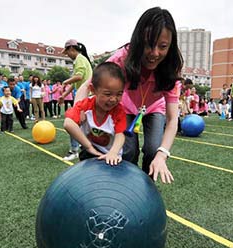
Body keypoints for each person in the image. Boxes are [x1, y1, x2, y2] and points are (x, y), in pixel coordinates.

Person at [76, 7, 183, 183]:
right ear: (139, 40)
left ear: (170, 46)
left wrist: (162, 155)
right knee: (127, 151)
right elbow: (88, 86)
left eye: (162, 46)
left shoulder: (171, 68)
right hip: (124, 107)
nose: (155, 53)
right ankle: (124, 184)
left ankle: (146, 189)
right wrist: (77, 112)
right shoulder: (120, 60)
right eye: (149, 44)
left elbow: (172, 120)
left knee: (153, 149)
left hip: (154, 109)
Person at [64, 62, 126, 165]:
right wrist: (89, 147)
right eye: (108, 94)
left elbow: (120, 135)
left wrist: (113, 153)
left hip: (112, 154)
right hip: (90, 151)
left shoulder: (118, 111)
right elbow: (68, 123)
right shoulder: (85, 106)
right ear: (93, 90)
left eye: (119, 94)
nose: (113, 99)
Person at [60, 39, 93, 161]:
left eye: (67, 52)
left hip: (85, 97)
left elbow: (78, 77)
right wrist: (64, 95)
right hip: (85, 96)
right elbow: (77, 83)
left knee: (73, 122)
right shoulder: (82, 59)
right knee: (84, 124)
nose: (67, 55)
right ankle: (83, 146)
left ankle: (74, 150)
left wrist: (65, 81)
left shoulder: (79, 59)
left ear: (71, 49)